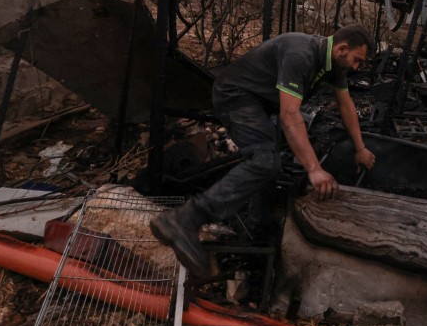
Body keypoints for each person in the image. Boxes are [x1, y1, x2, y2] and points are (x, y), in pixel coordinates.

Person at [150, 24, 377, 278]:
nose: (356, 67)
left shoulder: (333, 63)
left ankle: (258, 232)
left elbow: (346, 105)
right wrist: (314, 169)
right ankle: (184, 220)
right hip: (235, 95)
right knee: (265, 160)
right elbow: (290, 116)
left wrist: (360, 148)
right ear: (342, 49)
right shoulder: (300, 53)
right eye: (356, 60)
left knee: (272, 161)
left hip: (258, 102)